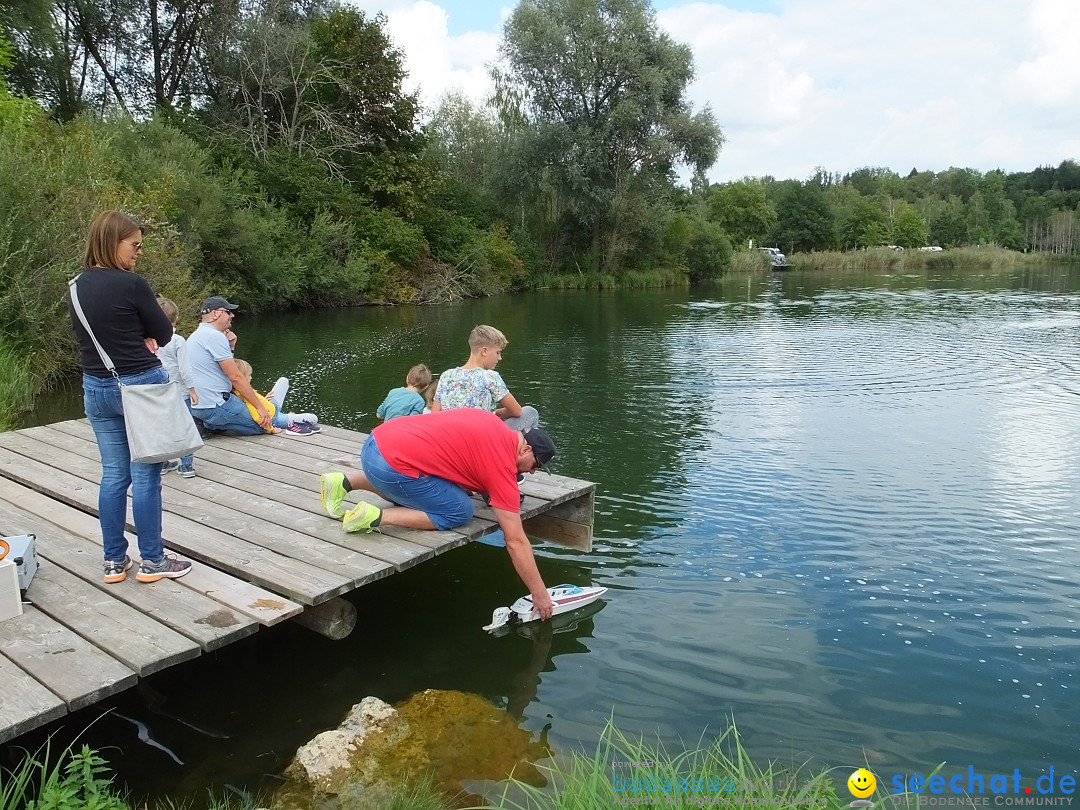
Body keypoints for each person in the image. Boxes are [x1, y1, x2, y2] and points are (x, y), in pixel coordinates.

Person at [318, 409, 558, 618]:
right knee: (460, 510)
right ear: (525, 449)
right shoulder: (502, 468)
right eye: (535, 465)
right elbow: (516, 541)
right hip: (389, 467)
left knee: (431, 486)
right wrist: (540, 595)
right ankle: (373, 517)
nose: (533, 472)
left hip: (373, 445)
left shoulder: (492, 421)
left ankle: (343, 482)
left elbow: (452, 452)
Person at [67, 211, 192, 584]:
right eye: (134, 244)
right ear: (113, 242)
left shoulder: (75, 286)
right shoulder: (131, 284)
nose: (139, 251)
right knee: (146, 476)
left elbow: (91, 336)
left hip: (96, 387)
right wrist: (143, 334)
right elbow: (164, 332)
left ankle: (113, 562)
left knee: (113, 475)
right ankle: (153, 561)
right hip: (140, 386)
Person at [186, 296, 273, 436]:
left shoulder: (196, 336)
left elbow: (222, 371)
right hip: (217, 404)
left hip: (200, 406)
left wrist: (231, 347)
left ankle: (213, 425)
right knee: (269, 422)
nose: (232, 315)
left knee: (261, 420)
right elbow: (235, 376)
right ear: (215, 314)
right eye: (228, 311)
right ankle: (214, 424)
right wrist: (260, 408)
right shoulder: (214, 336)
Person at [431, 324, 539, 431]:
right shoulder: (490, 377)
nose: (500, 358)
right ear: (484, 351)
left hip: (451, 437)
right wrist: (495, 413)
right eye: (498, 352)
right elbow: (517, 411)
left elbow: (434, 416)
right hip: (482, 438)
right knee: (530, 412)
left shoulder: (446, 376)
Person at [155, 297, 198, 477]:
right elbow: (185, 369)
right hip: (179, 392)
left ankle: (163, 463)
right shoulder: (178, 340)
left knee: (161, 427)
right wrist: (192, 389)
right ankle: (186, 465)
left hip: (158, 392)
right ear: (176, 318)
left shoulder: (149, 340)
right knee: (185, 426)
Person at [232, 359, 320, 435]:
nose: (251, 377)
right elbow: (256, 416)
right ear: (242, 377)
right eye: (249, 375)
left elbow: (256, 402)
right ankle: (288, 418)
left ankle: (288, 415)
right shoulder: (242, 394)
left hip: (271, 406)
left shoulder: (246, 389)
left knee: (283, 381)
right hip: (274, 418)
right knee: (313, 418)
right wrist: (271, 429)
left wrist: (264, 400)